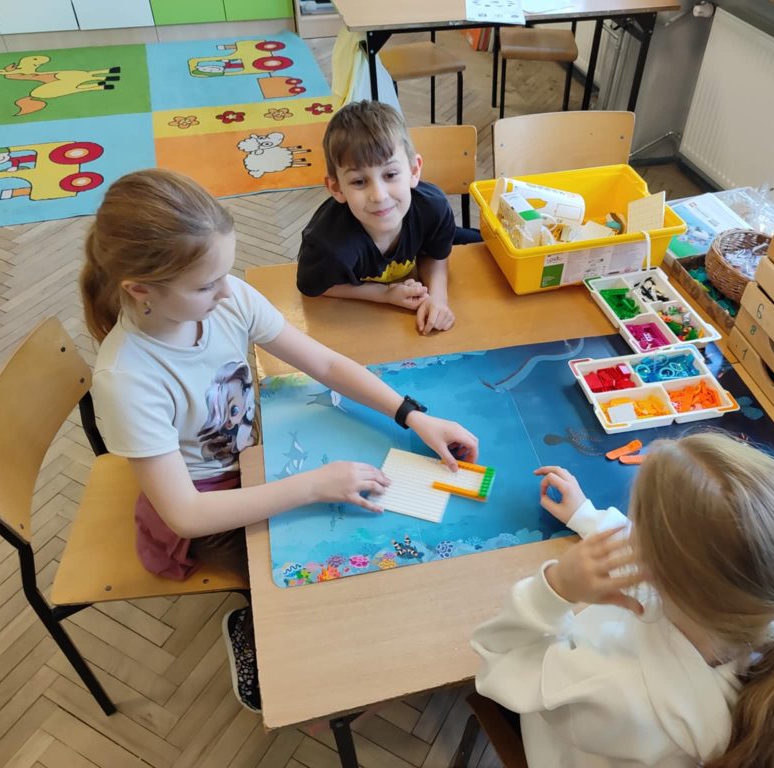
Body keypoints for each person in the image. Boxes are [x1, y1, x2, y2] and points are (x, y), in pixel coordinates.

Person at [80, 168, 478, 712]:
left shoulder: (225, 299)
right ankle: (252, 624)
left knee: (362, 525)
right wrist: (313, 486)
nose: (227, 292)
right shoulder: (127, 379)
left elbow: (325, 363)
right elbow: (187, 515)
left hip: (252, 451)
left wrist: (412, 415)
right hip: (212, 502)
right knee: (323, 586)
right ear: (140, 289)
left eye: (224, 273)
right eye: (205, 285)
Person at [472, 432, 774, 768]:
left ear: (652, 566)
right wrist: (588, 517)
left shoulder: (610, 686)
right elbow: (700, 558)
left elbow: (500, 662)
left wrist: (556, 587)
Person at [296, 100, 479, 335]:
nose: (379, 196)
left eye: (390, 174)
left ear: (414, 170)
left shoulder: (433, 208)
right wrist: (383, 294)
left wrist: (438, 298)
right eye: (359, 181)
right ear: (336, 188)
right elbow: (317, 286)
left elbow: (435, 254)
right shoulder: (329, 247)